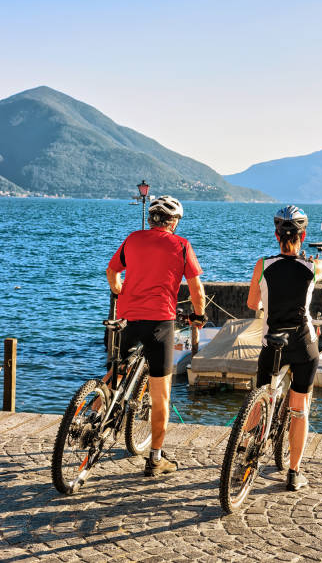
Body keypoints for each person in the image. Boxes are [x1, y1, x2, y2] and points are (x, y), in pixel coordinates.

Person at [106, 195, 206, 477]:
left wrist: (119, 290)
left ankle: (94, 411)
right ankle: (155, 458)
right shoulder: (181, 245)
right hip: (159, 323)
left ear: (151, 220)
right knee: (161, 394)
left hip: (126, 317)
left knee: (116, 370)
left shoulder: (132, 239)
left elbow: (112, 273)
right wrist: (198, 317)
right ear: (173, 222)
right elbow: (197, 290)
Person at [247, 205, 322, 491]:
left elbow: (253, 304)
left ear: (277, 236)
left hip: (272, 344)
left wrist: (267, 304)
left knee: (260, 397)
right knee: (299, 410)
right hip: (303, 345)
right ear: (303, 236)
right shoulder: (311, 268)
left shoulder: (263, 265)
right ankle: (293, 472)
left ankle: (249, 449)